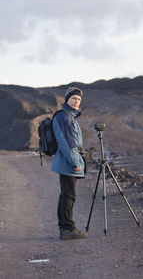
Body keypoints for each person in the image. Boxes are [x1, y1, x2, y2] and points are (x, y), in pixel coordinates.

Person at [51, 87, 88, 240]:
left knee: (66, 194)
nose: (76, 101)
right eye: (73, 98)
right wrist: (75, 162)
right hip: (68, 162)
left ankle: (64, 226)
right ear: (67, 100)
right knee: (68, 195)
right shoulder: (64, 117)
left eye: (78, 99)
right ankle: (68, 228)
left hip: (67, 160)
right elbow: (67, 142)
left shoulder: (69, 117)